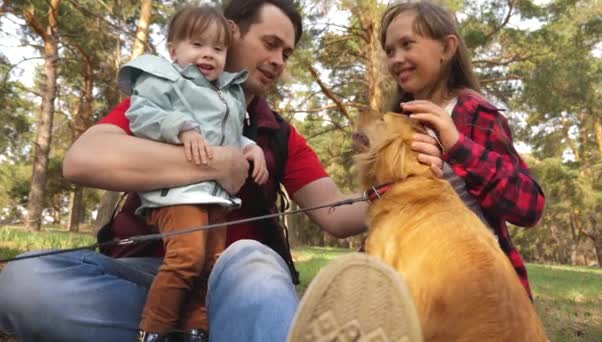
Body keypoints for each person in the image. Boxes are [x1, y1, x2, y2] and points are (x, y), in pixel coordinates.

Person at [0, 1, 443, 342]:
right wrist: (219, 161)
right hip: (145, 276)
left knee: (254, 264)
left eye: (287, 53)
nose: (279, 61)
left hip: (238, 278)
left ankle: (236, 322)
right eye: (269, 44)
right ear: (232, 33)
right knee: (24, 282)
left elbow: (337, 215)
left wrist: (406, 185)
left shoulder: (280, 136)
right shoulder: (164, 95)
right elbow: (82, 160)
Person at [117, 4, 269, 339]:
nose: (208, 55)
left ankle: (195, 330)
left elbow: (226, 135)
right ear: (172, 49)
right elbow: (141, 115)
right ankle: (154, 330)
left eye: (218, 48)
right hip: (178, 194)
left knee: (210, 267)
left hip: (214, 200)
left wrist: (249, 147)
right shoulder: (164, 79)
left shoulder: (228, 92)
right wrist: (181, 128)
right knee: (187, 257)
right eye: (197, 45)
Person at [378, 0, 545, 298]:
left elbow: (530, 207)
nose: (396, 58)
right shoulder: (396, 124)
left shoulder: (478, 114)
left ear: (447, 48)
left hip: (481, 291)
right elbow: (384, 205)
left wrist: (456, 146)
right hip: (412, 286)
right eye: (390, 51)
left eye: (407, 44)